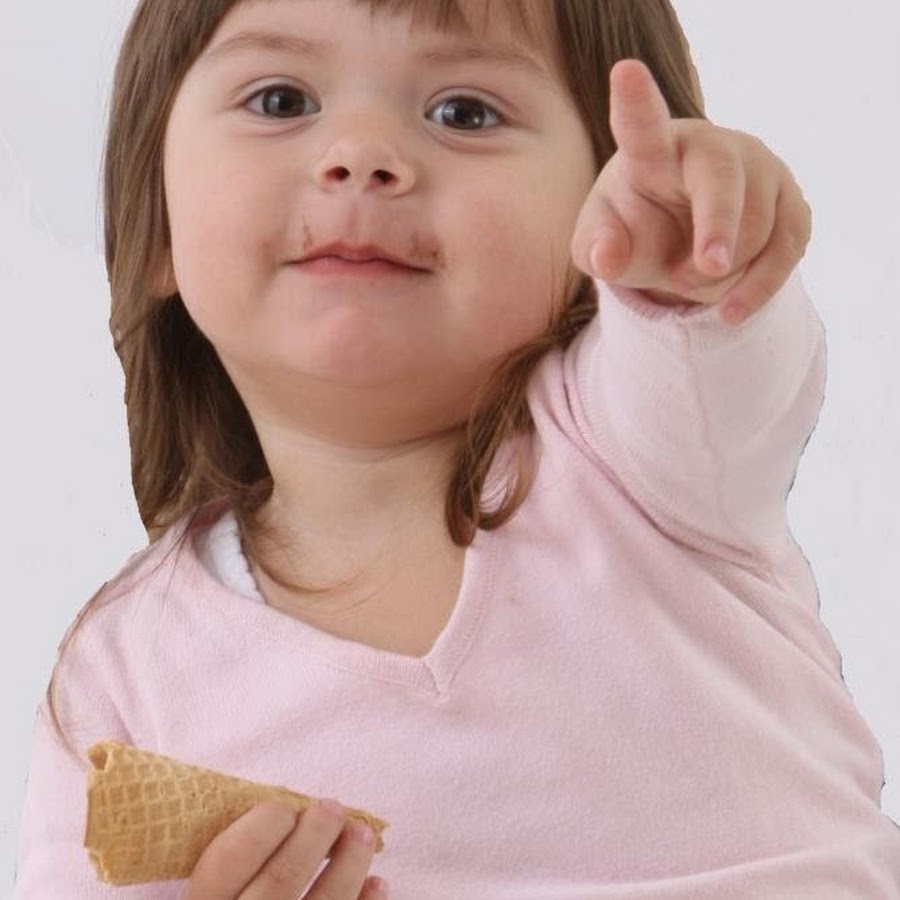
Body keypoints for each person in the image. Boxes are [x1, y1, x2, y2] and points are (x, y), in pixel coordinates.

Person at [13, 0, 900, 896]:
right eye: (280, 101)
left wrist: (692, 262)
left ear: (602, 198)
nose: (361, 153)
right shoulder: (123, 679)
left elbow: (721, 366)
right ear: (155, 221)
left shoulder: (647, 447)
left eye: (465, 113)